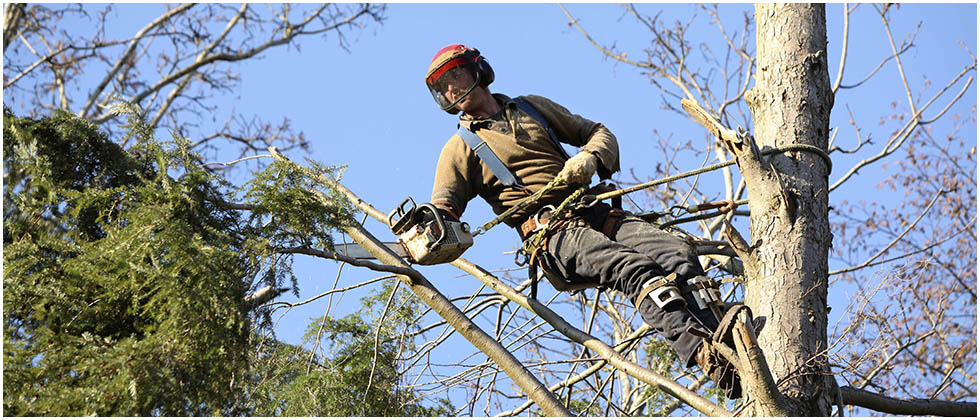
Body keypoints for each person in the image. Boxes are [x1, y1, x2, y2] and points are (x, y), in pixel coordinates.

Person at [423, 43, 745, 399]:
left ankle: (729, 348)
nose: (452, 89)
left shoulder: (531, 107)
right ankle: (702, 353)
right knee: (633, 268)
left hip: (597, 213)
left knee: (675, 252)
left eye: (455, 76)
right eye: (443, 86)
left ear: (478, 70)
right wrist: (424, 234)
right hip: (551, 234)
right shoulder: (460, 147)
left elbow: (598, 131)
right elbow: (444, 207)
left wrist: (590, 158)